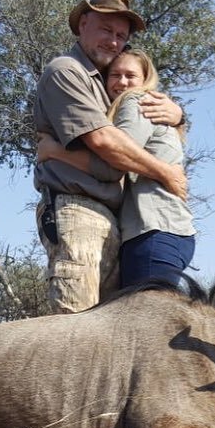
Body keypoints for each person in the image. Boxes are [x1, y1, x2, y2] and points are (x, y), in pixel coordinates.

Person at [33, 0, 187, 314]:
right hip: (78, 210)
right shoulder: (67, 71)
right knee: (76, 328)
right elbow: (106, 150)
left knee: (110, 337)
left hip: (114, 222)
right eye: (106, 30)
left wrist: (179, 115)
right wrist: (164, 172)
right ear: (83, 24)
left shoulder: (109, 88)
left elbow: (142, 138)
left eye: (121, 35)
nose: (113, 41)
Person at [38, 48, 195, 288]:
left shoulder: (138, 101)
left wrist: (53, 151)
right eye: (115, 75)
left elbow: (110, 166)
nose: (122, 82)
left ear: (145, 80)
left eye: (130, 76)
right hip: (158, 232)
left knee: (147, 320)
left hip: (152, 231)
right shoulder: (138, 107)